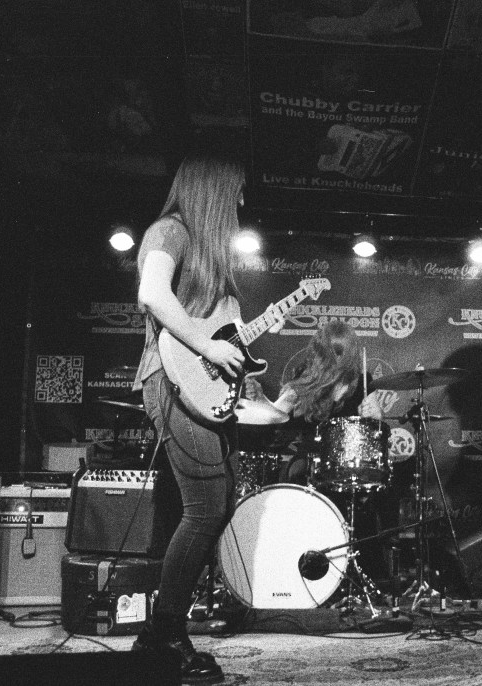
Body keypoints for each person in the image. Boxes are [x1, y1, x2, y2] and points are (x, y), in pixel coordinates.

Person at [131, 151, 285, 684]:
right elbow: (152, 294)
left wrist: (247, 385)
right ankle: (161, 634)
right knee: (204, 509)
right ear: (214, 191)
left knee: (213, 507)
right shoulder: (169, 230)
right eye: (236, 191)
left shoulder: (212, 256)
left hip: (201, 389)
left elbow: (224, 339)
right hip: (169, 381)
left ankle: (164, 631)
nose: (242, 201)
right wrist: (207, 345)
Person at [235, 319, 384, 484]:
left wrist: (373, 416)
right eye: (333, 353)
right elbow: (275, 414)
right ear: (322, 353)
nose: (337, 359)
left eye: (341, 353)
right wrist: (259, 397)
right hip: (309, 459)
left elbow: (376, 423)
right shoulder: (306, 378)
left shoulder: (362, 380)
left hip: (349, 459)